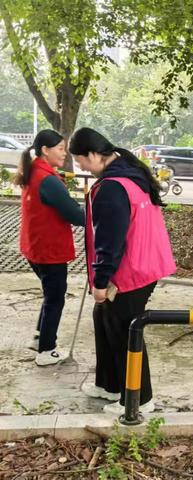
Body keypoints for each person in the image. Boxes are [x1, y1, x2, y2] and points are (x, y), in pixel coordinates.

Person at [69, 127, 176, 414]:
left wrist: (101, 280)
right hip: (144, 263)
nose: (80, 166)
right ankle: (109, 385)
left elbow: (110, 240)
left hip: (132, 270)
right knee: (103, 317)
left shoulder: (114, 186)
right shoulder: (130, 175)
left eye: (80, 160)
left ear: (93, 154)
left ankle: (138, 398)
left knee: (123, 327)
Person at [16, 129, 85, 366]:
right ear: (45, 150)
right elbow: (74, 214)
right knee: (55, 298)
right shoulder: (48, 180)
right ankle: (47, 350)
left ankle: (39, 337)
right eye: (60, 149)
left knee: (50, 295)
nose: (64, 154)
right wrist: (96, 218)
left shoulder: (33, 171)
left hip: (34, 247)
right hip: (48, 250)